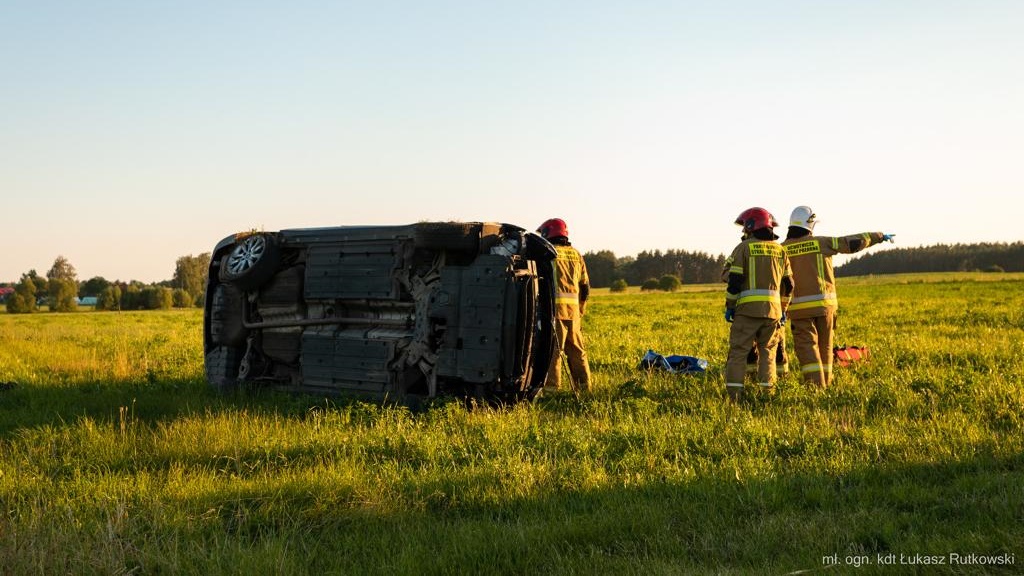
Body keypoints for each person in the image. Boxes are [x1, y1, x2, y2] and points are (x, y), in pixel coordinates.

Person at [781, 206, 894, 388]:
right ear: (811, 224)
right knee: (825, 348)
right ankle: (826, 384)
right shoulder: (821, 242)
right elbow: (851, 243)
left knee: (807, 349)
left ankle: (815, 387)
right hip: (826, 308)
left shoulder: (782, 249)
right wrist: (878, 236)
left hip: (798, 310)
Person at [723, 207, 793, 401]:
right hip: (773, 312)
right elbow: (789, 285)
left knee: (738, 353)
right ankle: (767, 395)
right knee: (768, 353)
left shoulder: (743, 248)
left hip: (747, 312)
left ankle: (735, 397)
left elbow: (734, 280)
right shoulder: (781, 251)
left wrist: (730, 306)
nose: (743, 231)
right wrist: (783, 310)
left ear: (751, 226)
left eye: (745, 227)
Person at [537, 218, 592, 394]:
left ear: (549, 232)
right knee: (577, 352)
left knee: (554, 352)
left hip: (555, 312)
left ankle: (552, 389)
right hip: (573, 313)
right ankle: (584, 388)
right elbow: (585, 286)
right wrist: (581, 309)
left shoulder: (550, 253)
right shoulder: (576, 255)